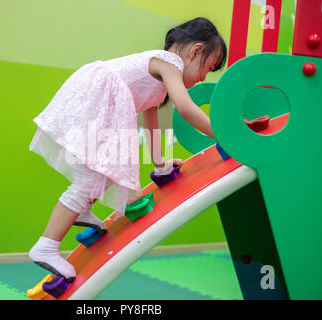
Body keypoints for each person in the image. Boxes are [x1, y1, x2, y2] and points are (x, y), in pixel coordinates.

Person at [28, 17, 227, 281]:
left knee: (104, 167)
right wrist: (225, 133)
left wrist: (161, 164)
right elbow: (187, 108)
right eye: (208, 68)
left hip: (100, 101)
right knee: (90, 177)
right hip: (97, 98)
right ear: (195, 51)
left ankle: (82, 210)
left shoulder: (159, 79)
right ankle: (46, 246)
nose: (204, 77)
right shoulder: (170, 62)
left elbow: (151, 124)